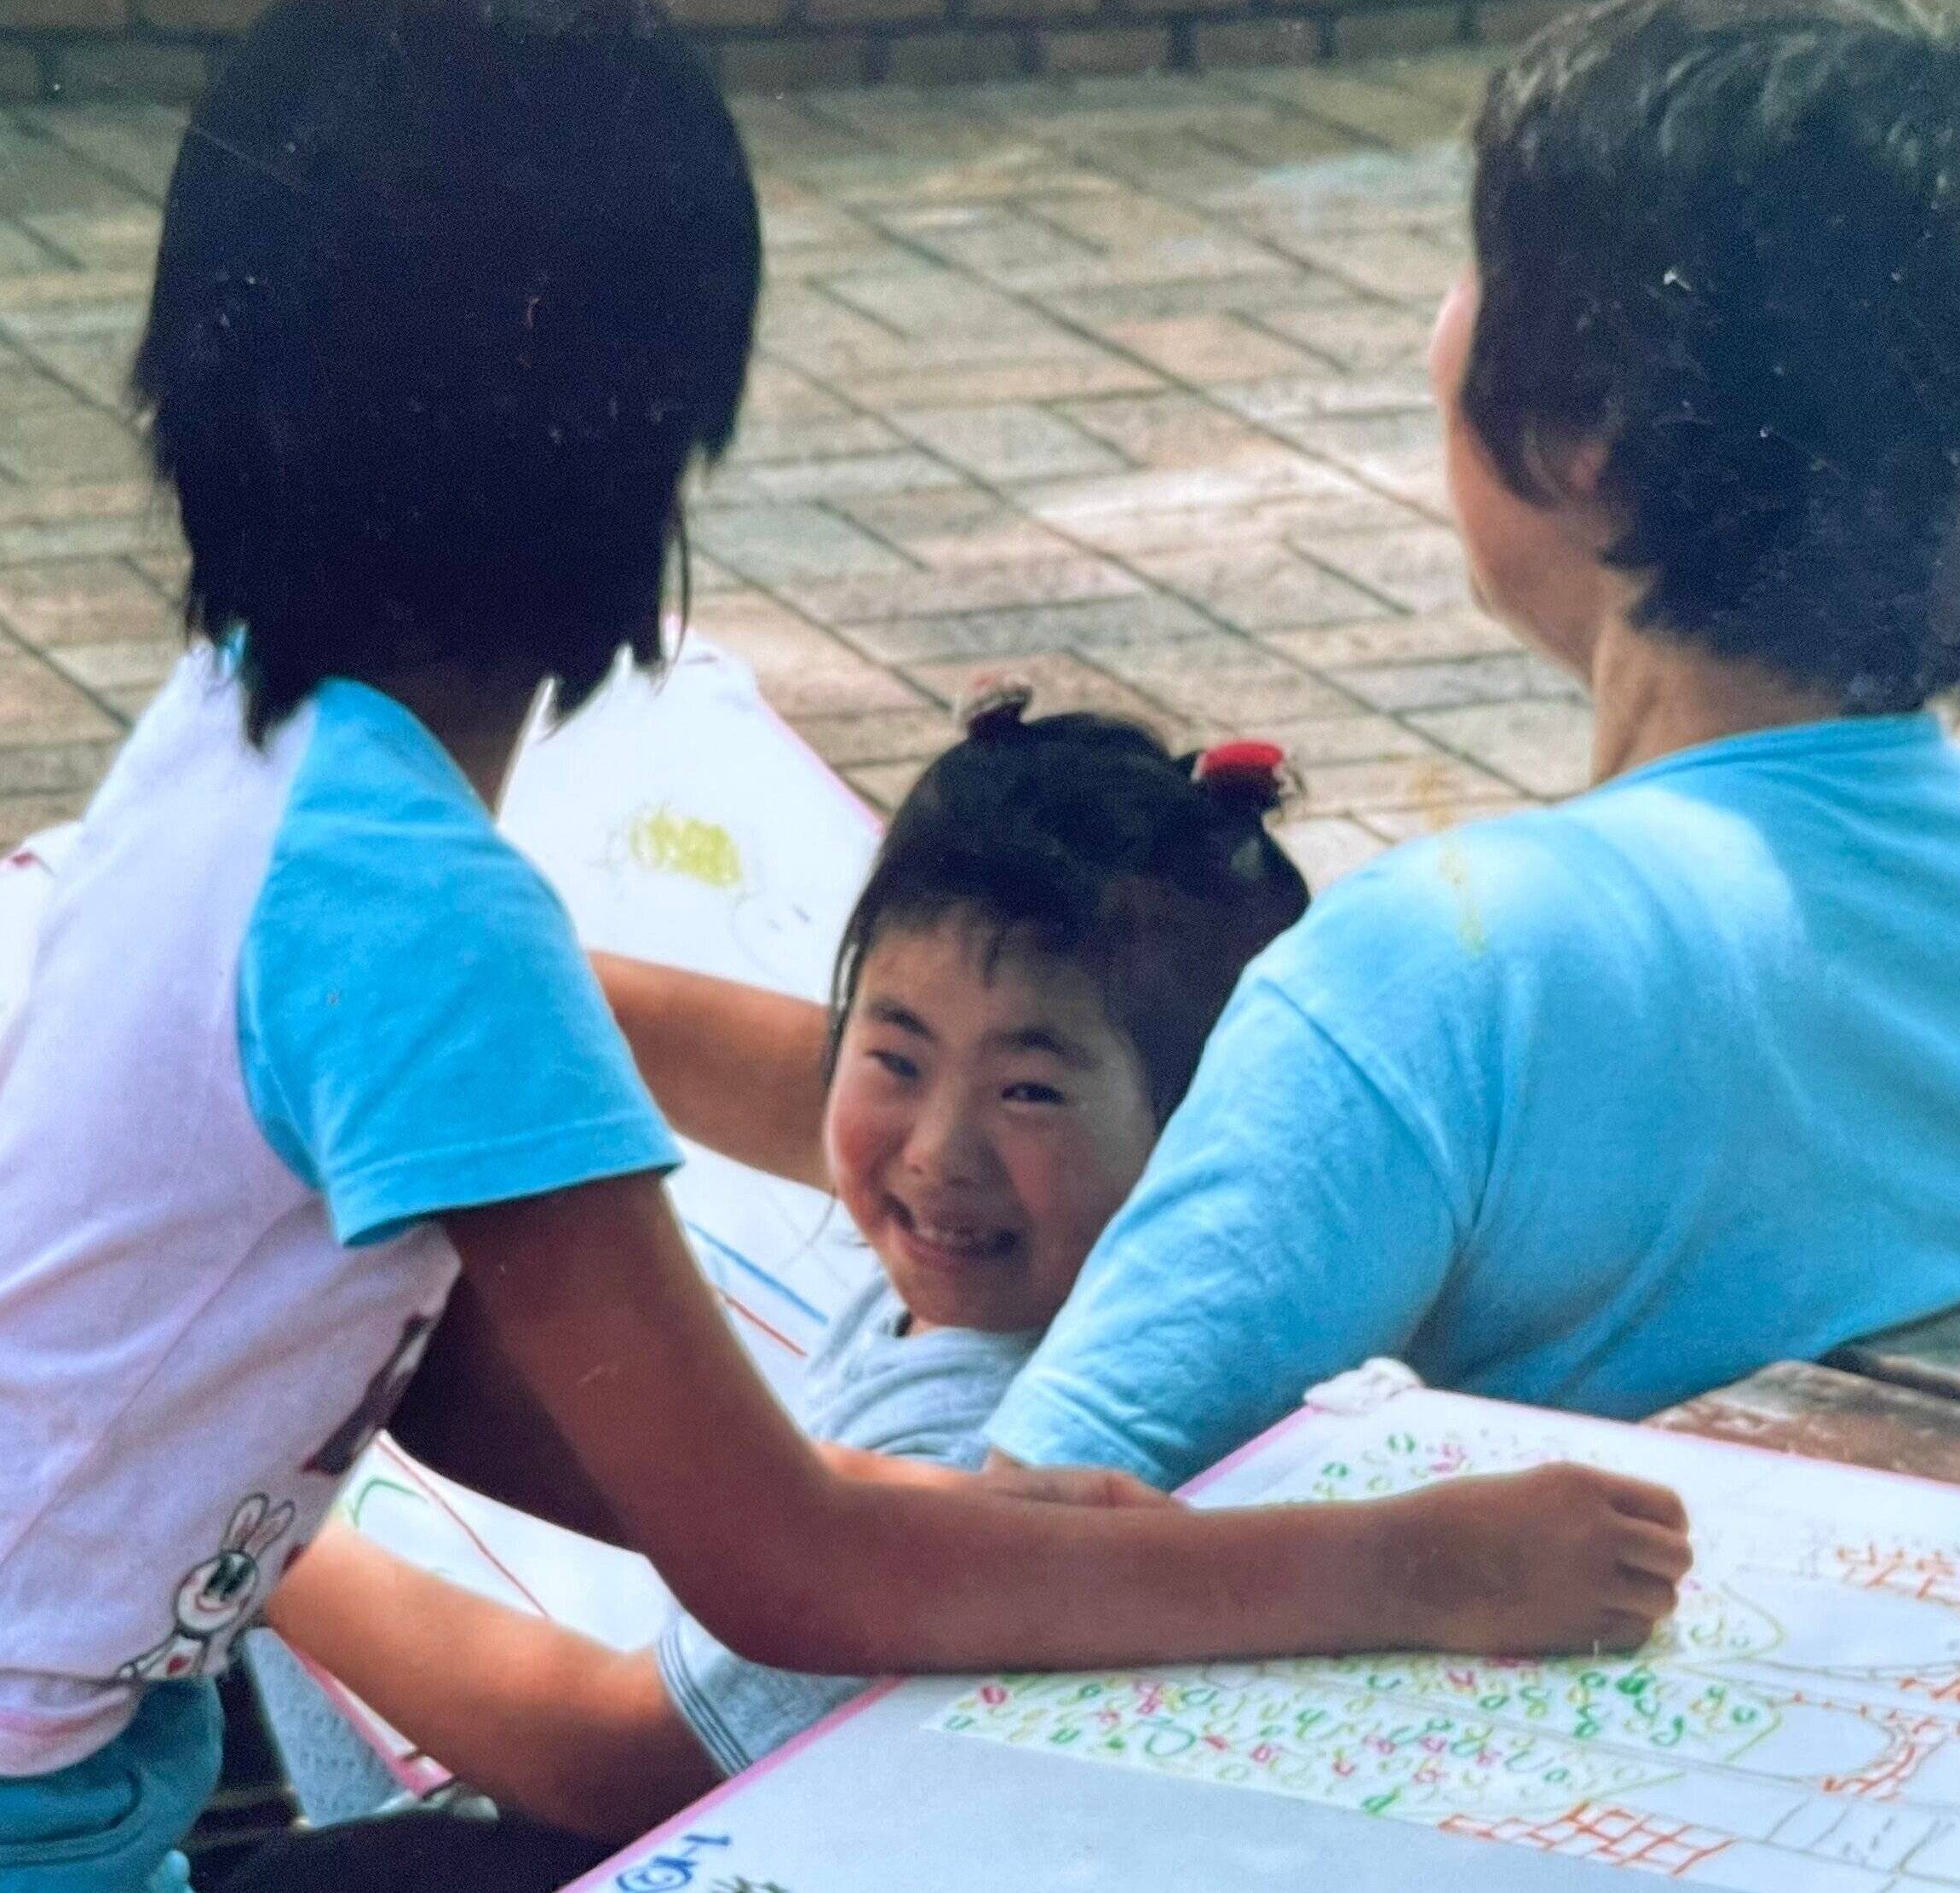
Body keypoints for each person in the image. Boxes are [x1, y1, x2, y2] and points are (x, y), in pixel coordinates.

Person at [0, 0, 1689, 1890]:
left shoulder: (247, 727)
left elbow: (457, 1388)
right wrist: (1406, 1564)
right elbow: (781, 1567)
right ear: (649, 451)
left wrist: (931, 1526)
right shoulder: (423, 924)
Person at [964, 0, 1960, 1488]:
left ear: (1581, 422)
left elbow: (1040, 1521)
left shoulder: (1448, 962)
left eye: (1481, 267)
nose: (1440, 325)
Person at [267, 697, 1336, 1846]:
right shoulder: (1082, 1240)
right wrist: (462, 985)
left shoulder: (1014, 1438)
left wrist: (247, 1527)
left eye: (1029, 1090)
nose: (937, 1151)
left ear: (1190, 1140)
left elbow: (623, 1762)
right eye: (897, 1056)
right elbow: (789, 1082)